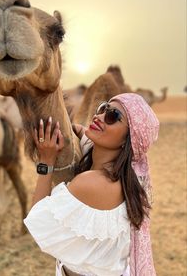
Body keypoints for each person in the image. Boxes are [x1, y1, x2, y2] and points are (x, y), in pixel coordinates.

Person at [24, 93, 159, 276]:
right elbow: (85, 138)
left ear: (128, 140)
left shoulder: (92, 183)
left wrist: (46, 161)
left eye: (113, 116)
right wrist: (75, 131)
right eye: (103, 108)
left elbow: (36, 219)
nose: (100, 117)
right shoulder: (130, 175)